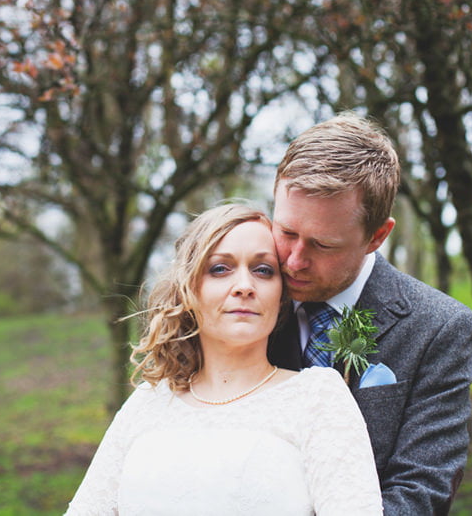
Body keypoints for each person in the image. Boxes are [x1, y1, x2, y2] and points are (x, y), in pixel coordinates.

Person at [66, 203, 382, 515]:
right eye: (220, 268)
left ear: (281, 295)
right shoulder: (146, 405)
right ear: (189, 289)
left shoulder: (316, 397)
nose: (244, 286)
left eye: (263, 270)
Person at [267, 112, 472, 515]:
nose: (294, 261)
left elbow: (422, 490)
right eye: (286, 232)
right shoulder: (235, 301)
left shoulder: (439, 329)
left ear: (377, 236)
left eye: (323, 245)